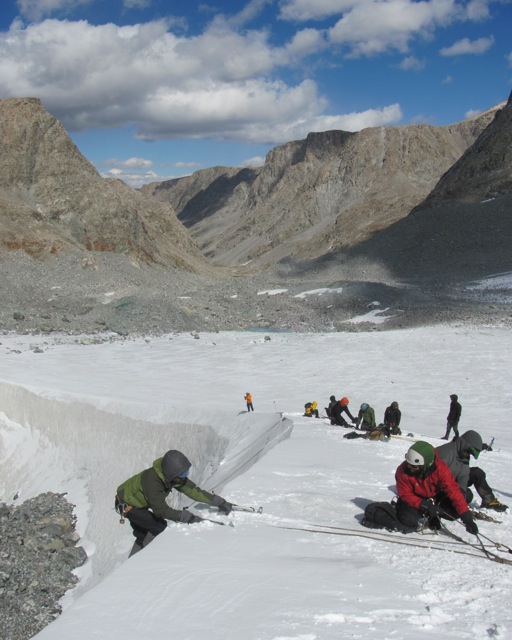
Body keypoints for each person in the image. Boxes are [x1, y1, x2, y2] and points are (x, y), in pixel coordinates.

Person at [116, 450, 233, 556]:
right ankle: (145, 559)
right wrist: (184, 516)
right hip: (128, 505)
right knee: (159, 527)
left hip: (137, 503)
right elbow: (160, 510)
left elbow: (192, 490)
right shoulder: (153, 482)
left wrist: (218, 501)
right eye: (181, 476)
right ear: (171, 474)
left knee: (143, 535)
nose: (183, 479)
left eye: (185, 475)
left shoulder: (172, 476)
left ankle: (133, 561)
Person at [363, 441, 478, 535]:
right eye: (408, 463)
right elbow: (406, 494)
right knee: (408, 522)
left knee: (454, 512)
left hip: (435, 496)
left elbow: (453, 490)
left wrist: (466, 517)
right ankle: (389, 511)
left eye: (414, 466)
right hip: (416, 498)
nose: (409, 467)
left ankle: (433, 517)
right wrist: (425, 506)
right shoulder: (402, 471)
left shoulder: (441, 469)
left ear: (426, 464)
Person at [436, 430, 508, 512]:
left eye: (470, 453)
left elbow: (464, 474)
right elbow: (435, 479)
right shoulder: (445, 454)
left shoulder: (463, 453)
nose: (468, 454)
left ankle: (489, 501)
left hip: (454, 480)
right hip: (442, 486)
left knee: (477, 473)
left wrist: (462, 491)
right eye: (468, 451)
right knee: (468, 495)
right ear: (464, 444)